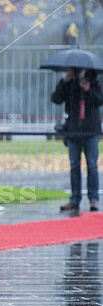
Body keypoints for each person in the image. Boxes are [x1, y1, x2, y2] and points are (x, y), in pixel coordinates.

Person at [51, 67, 102, 212]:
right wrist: (64, 82)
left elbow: (99, 101)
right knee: (74, 165)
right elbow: (56, 99)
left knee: (92, 165)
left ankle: (93, 199)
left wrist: (88, 90)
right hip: (73, 131)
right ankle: (74, 199)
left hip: (90, 130)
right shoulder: (69, 83)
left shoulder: (95, 83)